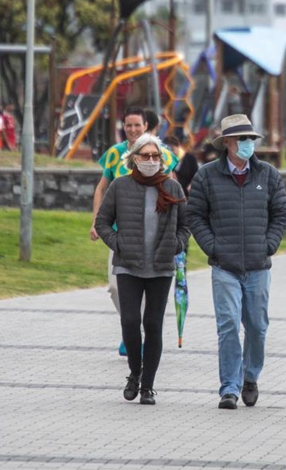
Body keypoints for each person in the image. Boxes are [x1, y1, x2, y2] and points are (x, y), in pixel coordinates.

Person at [187, 114, 286, 410]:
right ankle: (229, 388)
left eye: (250, 139)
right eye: (242, 139)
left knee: (257, 326)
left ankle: (250, 377)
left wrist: (268, 245)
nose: (248, 144)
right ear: (228, 143)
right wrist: (213, 247)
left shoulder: (268, 175)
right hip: (224, 266)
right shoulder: (207, 175)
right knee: (229, 324)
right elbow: (195, 215)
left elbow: (281, 212)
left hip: (258, 265)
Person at [95, 133, 189, 405]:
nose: (151, 160)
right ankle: (134, 373)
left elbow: (186, 224)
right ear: (133, 158)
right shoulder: (120, 186)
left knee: (153, 324)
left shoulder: (172, 189)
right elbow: (102, 222)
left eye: (155, 156)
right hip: (128, 265)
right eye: (145, 156)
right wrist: (118, 244)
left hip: (160, 267)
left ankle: (148, 385)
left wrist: (176, 244)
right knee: (130, 322)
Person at [90, 107, 178, 356]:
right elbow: (101, 188)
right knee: (115, 287)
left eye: (137, 125)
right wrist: (95, 220)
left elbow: (171, 189)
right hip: (120, 235)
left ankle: (135, 333)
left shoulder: (160, 153)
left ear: (145, 126)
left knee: (147, 288)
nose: (132, 130)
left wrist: (173, 234)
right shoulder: (114, 154)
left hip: (154, 235)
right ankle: (131, 328)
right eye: (128, 125)